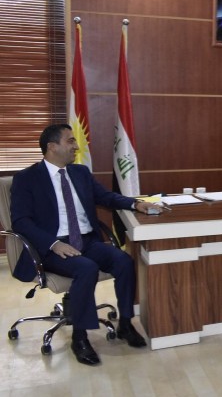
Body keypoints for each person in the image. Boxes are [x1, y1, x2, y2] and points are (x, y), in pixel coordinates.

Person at [10, 124, 163, 365]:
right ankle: (80, 338)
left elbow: (106, 197)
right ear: (52, 147)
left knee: (123, 261)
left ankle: (125, 323)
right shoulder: (26, 179)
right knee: (86, 268)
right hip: (52, 247)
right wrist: (53, 244)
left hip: (86, 241)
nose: (76, 146)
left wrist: (135, 204)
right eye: (70, 141)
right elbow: (21, 221)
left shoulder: (80, 172)